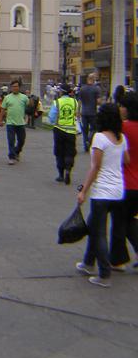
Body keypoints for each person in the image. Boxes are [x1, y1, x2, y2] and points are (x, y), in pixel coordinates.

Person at [76, 103, 129, 287]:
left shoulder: (99, 138)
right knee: (93, 225)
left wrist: (83, 190)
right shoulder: (121, 139)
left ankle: (104, 273)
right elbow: (126, 160)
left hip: (102, 192)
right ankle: (88, 262)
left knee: (98, 233)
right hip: (118, 191)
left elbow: (95, 167)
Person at [109, 92, 138, 269]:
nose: (120, 109)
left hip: (123, 183)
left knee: (119, 222)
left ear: (127, 109)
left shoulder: (122, 129)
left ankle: (118, 260)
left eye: (121, 106)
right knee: (129, 220)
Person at [50, 83, 80, 185]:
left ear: (62, 92)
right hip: (71, 130)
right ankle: (68, 169)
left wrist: (54, 122)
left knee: (59, 152)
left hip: (59, 129)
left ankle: (61, 174)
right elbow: (76, 115)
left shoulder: (57, 102)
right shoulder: (75, 102)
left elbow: (52, 117)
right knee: (70, 152)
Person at [0, 79, 28, 165]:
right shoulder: (7, 98)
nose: (15, 88)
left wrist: (27, 117)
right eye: (13, 87)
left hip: (21, 123)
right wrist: (0, 120)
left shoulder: (24, 97)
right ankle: (11, 157)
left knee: (21, 140)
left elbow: (28, 108)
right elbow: (3, 110)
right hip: (10, 123)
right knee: (11, 140)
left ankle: (17, 151)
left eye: (16, 86)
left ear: (19, 87)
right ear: (11, 88)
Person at [78, 73, 102, 152]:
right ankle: (89, 139)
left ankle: (85, 144)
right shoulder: (96, 89)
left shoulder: (82, 88)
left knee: (85, 129)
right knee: (93, 129)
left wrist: (78, 112)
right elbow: (98, 102)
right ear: (93, 79)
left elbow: (79, 101)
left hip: (84, 112)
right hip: (93, 112)